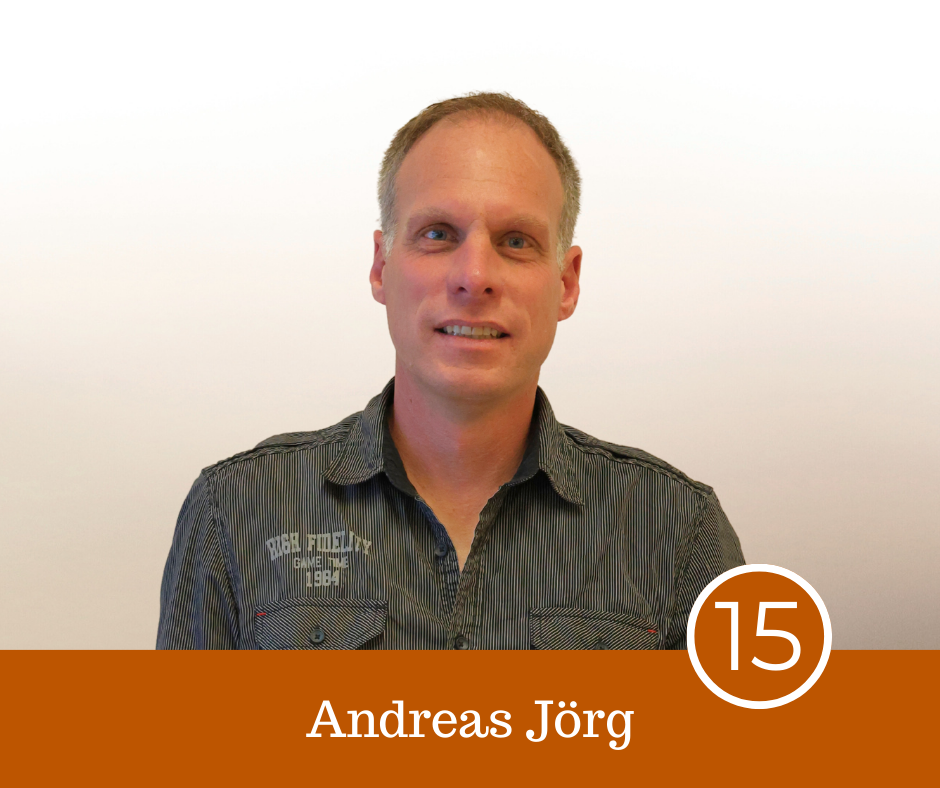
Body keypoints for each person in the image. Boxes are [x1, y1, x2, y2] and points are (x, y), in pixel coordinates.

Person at [157, 92, 744, 650]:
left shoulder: (677, 530)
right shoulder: (235, 509)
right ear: (381, 267)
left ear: (566, 284)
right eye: (437, 235)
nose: (474, 276)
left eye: (516, 241)